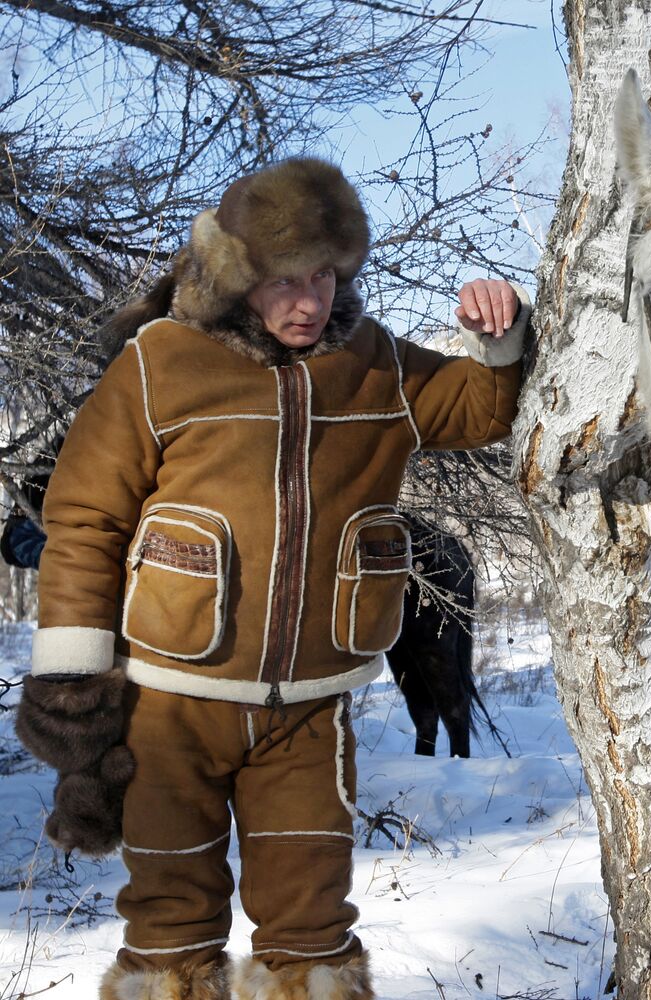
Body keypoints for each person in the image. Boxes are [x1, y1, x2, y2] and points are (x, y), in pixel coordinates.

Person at [14, 158, 529, 1000]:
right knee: (170, 931)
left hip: (307, 715)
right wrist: (74, 682)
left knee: (312, 936)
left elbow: (479, 408)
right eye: (287, 279)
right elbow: (85, 522)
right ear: (238, 276)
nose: (310, 301)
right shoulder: (160, 363)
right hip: (169, 704)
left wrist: (495, 334)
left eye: (325, 276)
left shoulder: (375, 364)